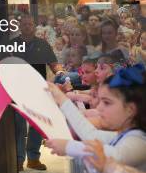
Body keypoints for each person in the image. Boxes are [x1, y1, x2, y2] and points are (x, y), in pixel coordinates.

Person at [45, 64, 146, 172]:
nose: (99, 107)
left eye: (107, 102)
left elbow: (114, 156)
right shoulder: (124, 135)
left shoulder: (140, 141)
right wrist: (60, 97)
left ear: (130, 110)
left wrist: (69, 147)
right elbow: (91, 134)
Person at [11, 13, 66, 171]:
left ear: (34, 26)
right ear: (20, 27)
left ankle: (33, 159)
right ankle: (19, 160)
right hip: (18, 91)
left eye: (30, 24)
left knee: (37, 125)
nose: (27, 27)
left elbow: (54, 64)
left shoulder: (43, 44)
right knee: (19, 127)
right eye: (24, 24)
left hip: (39, 90)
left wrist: (60, 72)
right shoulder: (12, 44)